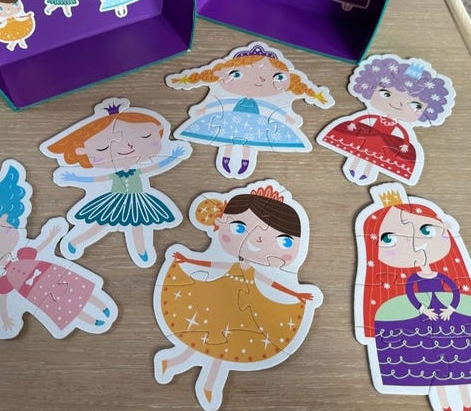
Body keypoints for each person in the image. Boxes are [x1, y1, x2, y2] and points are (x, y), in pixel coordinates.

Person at [154, 180, 323, 410]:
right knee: (203, 338)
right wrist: (187, 259)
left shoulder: (258, 271)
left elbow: (271, 282)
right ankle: (175, 362)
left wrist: (296, 293)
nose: (257, 240)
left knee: (226, 348)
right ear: (220, 222)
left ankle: (201, 380)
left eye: (283, 241)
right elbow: (211, 263)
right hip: (214, 301)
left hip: (244, 311)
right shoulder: (229, 262)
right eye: (239, 228)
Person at [355, 183, 471, 411]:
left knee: (459, 369)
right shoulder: (396, 293)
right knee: (436, 375)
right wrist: (422, 309)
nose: (413, 242)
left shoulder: (449, 278)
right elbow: (410, 293)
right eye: (389, 239)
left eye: (426, 230)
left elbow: (455, 291)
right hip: (422, 321)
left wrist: (451, 308)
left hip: (449, 318)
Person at [40, 98, 191, 268]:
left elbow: (157, 165)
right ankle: (75, 241)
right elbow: (95, 179)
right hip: (113, 200)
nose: (127, 147)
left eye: (145, 136)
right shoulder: (112, 173)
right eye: (102, 148)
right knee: (100, 223)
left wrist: (174, 155)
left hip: (138, 200)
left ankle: (141, 250)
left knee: (138, 225)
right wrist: (73, 178)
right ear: (82, 152)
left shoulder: (138, 170)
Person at [168, 41, 333, 179]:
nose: (259, 81)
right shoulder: (223, 96)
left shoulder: (274, 101)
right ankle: (226, 159)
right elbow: (219, 103)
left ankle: (244, 162)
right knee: (228, 141)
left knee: (248, 145)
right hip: (228, 121)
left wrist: (287, 117)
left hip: (257, 126)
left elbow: (273, 109)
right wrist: (203, 108)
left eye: (277, 77)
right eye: (238, 74)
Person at [0, 160, 117, 339]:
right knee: (64, 309)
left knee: (80, 290)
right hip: (37, 294)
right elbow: (2, 299)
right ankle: (92, 321)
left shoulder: (24, 251)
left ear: (5, 218)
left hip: (53, 273)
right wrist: (4, 318)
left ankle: (102, 308)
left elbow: (41, 247)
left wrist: (51, 235)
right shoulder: (1, 281)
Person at [317, 54, 455, 185]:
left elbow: (403, 132)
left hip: (386, 142)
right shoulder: (371, 115)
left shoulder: (401, 125)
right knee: (360, 153)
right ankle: (353, 168)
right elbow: (364, 117)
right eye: (386, 94)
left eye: (415, 105)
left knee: (373, 159)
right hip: (367, 133)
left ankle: (366, 173)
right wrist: (354, 123)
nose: (398, 104)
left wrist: (405, 144)